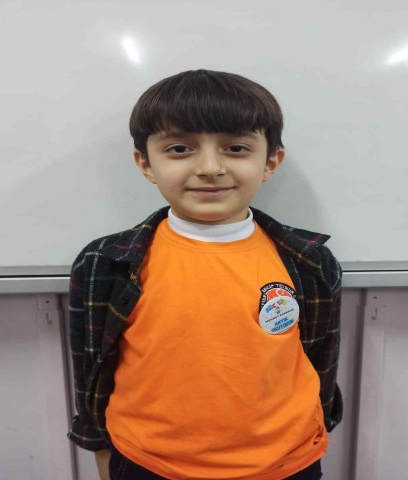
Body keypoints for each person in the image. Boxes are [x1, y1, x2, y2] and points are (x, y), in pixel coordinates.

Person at [67, 69, 342, 480]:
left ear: (270, 162)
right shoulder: (105, 263)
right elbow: (91, 372)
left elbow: (321, 361)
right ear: (145, 163)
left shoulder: (309, 261)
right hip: (149, 465)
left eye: (236, 148)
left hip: (287, 464)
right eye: (179, 149)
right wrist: (100, 453)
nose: (210, 168)